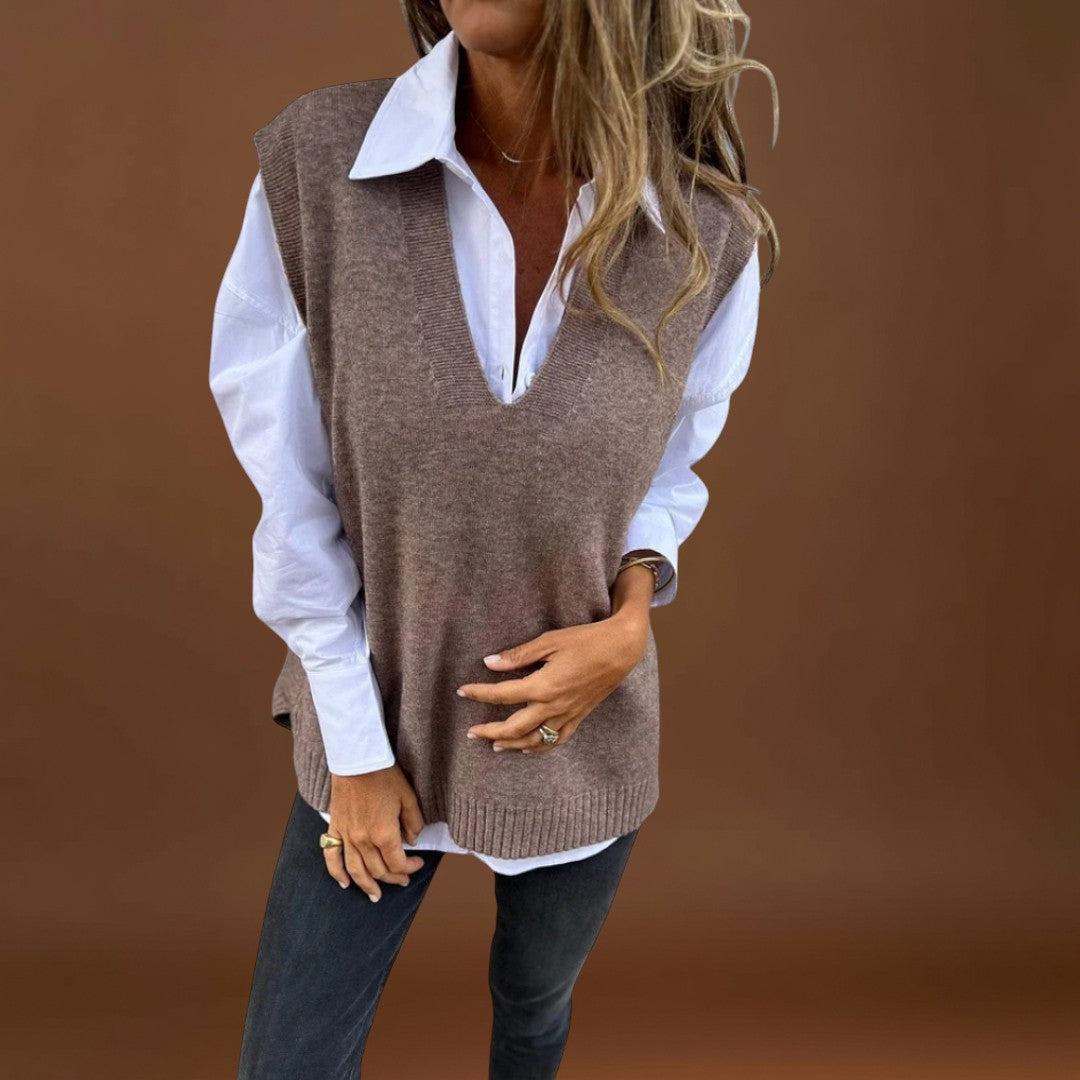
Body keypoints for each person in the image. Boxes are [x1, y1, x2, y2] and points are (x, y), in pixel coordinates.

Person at [209, 2, 777, 1076]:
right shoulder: (322, 167)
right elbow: (291, 496)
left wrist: (629, 624)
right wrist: (358, 755)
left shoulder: (702, 233)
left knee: (533, 1017)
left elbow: (666, 474)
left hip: (578, 732)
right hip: (373, 718)